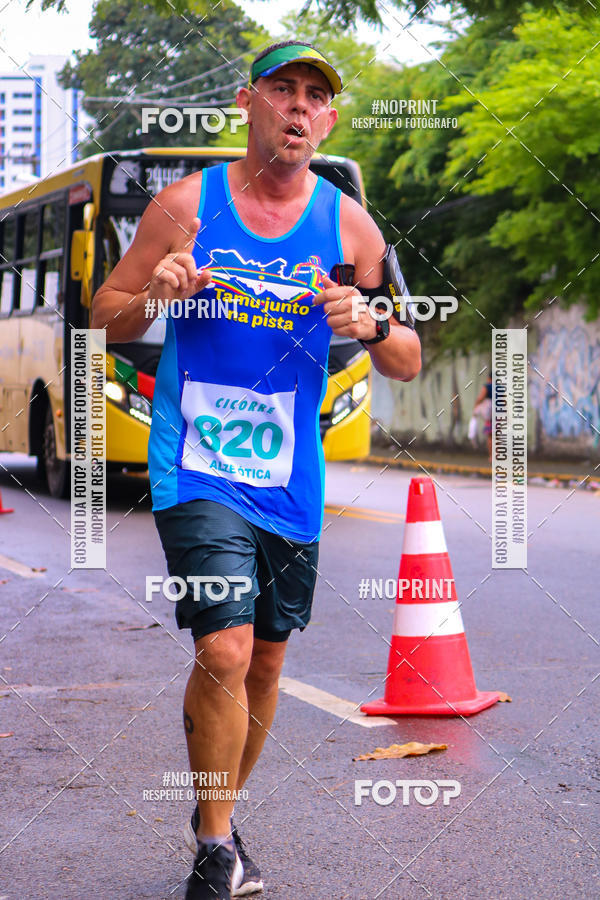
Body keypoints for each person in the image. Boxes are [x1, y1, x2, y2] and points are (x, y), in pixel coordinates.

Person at [92, 40, 421, 899]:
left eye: (316, 96)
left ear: (331, 120)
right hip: (193, 463)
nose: (300, 107)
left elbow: (411, 358)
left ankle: (225, 823)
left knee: (268, 661)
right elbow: (107, 317)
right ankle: (210, 847)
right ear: (250, 103)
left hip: (289, 477)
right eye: (284, 90)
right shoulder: (185, 206)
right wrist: (156, 291)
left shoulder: (351, 226)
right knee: (226, 647)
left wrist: (370, 322)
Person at [471, 376, 493, 460]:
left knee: (490, 435)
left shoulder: (487, 386)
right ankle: (498, 455)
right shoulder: (501, 387)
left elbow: (481, 398)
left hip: (490, 414)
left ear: (489, 378)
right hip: (500, 413)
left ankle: (492, 456)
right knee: (497, 435)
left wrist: (476, 406)